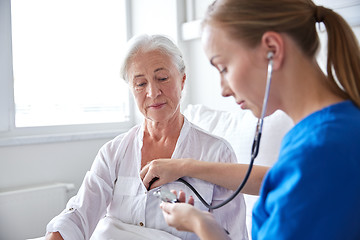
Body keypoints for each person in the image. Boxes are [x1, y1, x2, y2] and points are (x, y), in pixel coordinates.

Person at [140, 0, 360, 239]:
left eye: (223, 67)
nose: (223, 89)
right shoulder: (336, 129)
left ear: (272, 50)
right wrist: (186, 168)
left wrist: (201, 225)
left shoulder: (319, 153)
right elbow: (275, 178)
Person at [45, 34, 250, 240]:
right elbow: (80, 214)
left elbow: (233, 235)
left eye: (162, 78)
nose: (153, 92)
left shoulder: (216, 153)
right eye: (141, 84)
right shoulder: (113, 153)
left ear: (182, 80)